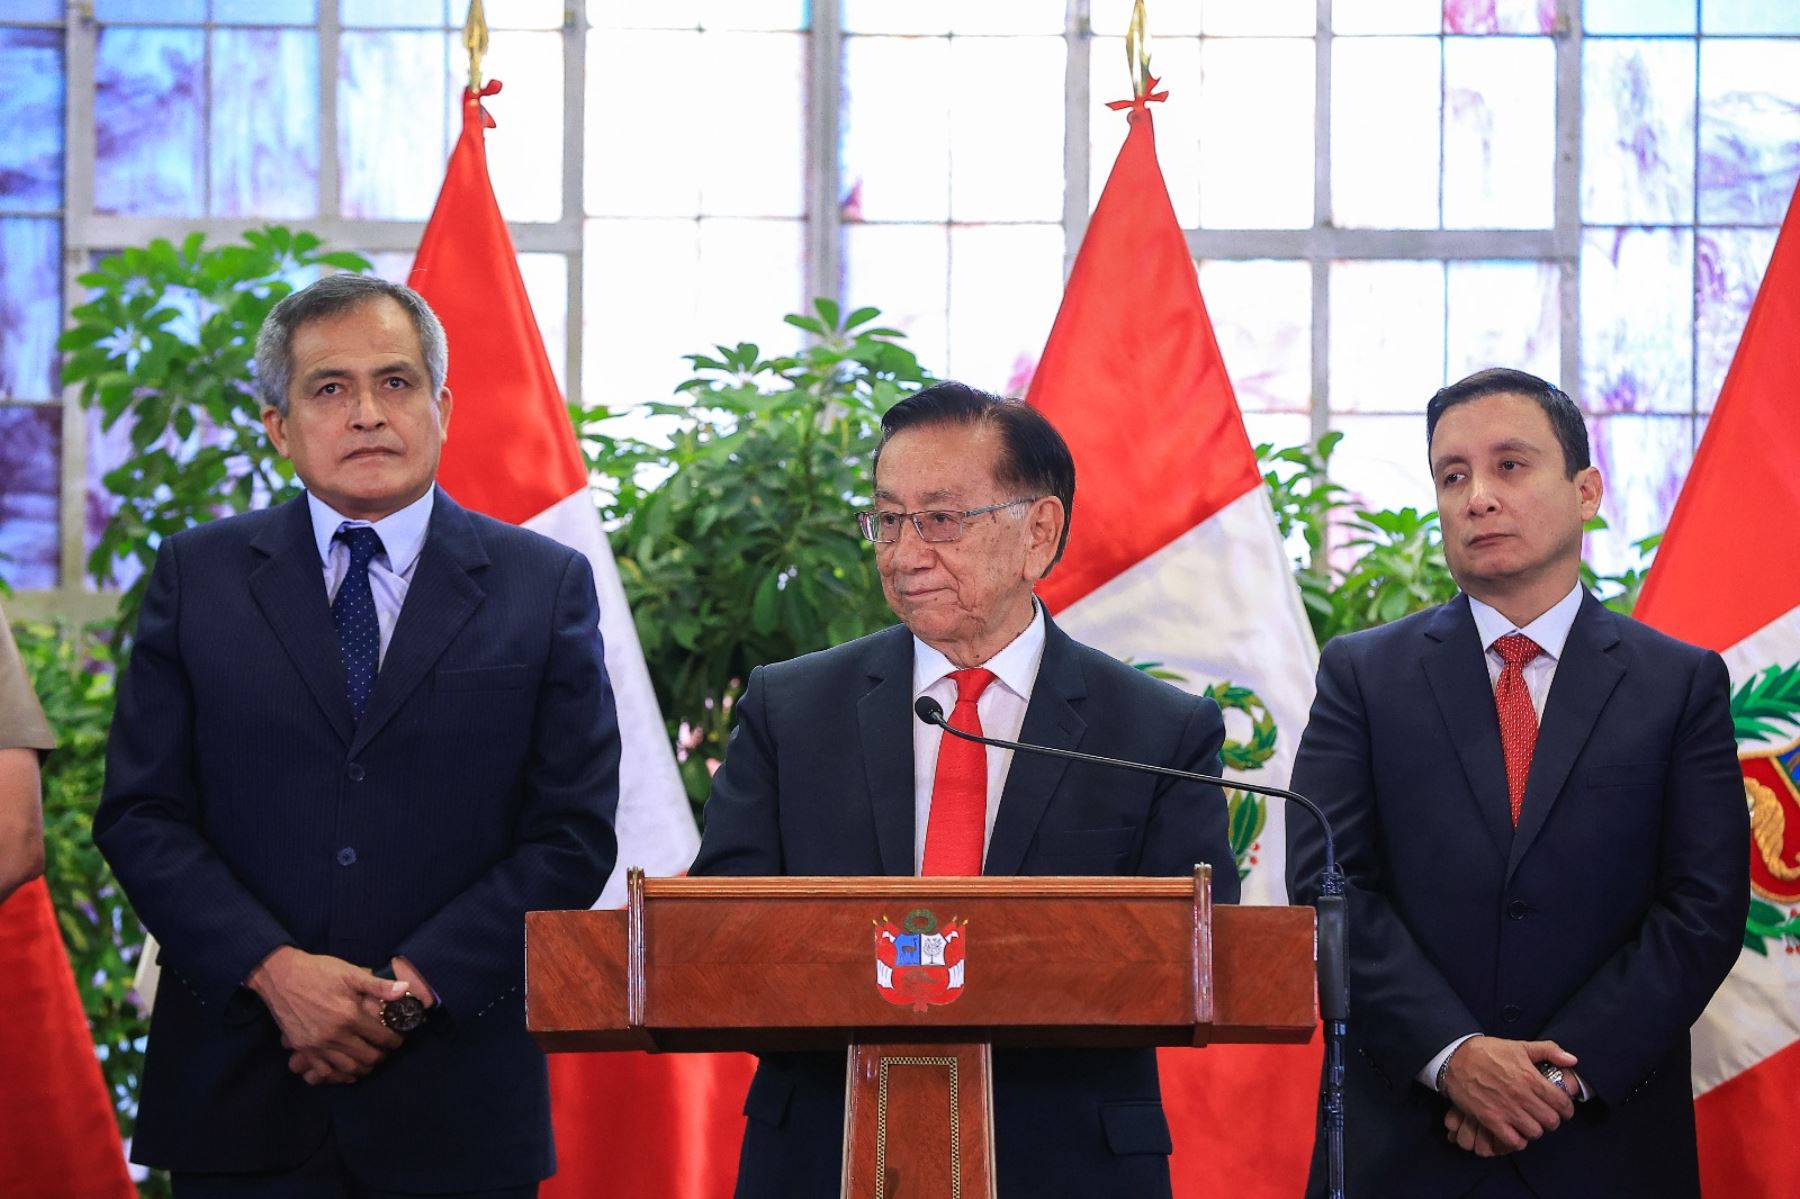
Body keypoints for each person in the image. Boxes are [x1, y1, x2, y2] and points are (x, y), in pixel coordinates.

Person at [94, 273, 621, 1199]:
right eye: (329, 388)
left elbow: (570, 832)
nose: (368, 412)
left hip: (457, 1102)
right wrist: (278, 974)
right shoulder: (197, 577)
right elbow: (142, 813)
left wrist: (409, 992)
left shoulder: (544, 585)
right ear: (278, 425)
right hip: (242, 1093)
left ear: (443, 407)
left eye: (396, 382)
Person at [690, 381, 1239, 1198]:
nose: (904, 552)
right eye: (886, 518)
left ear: (1038, 531)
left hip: (1065, 1164)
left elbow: (1202, 957)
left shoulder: (1156, 733)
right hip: (822, 1152)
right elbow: (719, 935)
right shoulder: (791, 708)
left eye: (941, 519)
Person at [1287, 367, 1748, 1198]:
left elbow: (1703, 910)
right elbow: (1329, 890)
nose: (1477, 498)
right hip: (1406, 1143)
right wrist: (1453, 1055)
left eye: (1510, 465)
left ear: (1587, 490)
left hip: (1604, 1143)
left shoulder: (1678, 684)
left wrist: (1556, 1081)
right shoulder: (1363, 675)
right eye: (1452, 475)